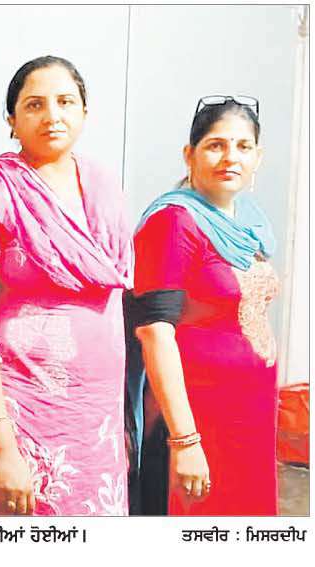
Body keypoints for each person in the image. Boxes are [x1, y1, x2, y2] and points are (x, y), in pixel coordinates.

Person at [0, 56, 133, 516]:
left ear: (85, 111)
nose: (52, 115)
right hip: (25, 409)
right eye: (34, 105)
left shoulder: (103, 184)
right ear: (11, 119)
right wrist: (1, 445)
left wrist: (123, 416)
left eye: (65, 102)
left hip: (99, 417)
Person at [131, 96, 277, 515]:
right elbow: (154, 333)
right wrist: (185, 441)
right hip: (196, 421)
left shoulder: (250, 222)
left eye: (243, 147)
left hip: (250, 416)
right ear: (189, 154)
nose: (230, 157)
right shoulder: (173, 222)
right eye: (215, 145)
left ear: (257, 157)